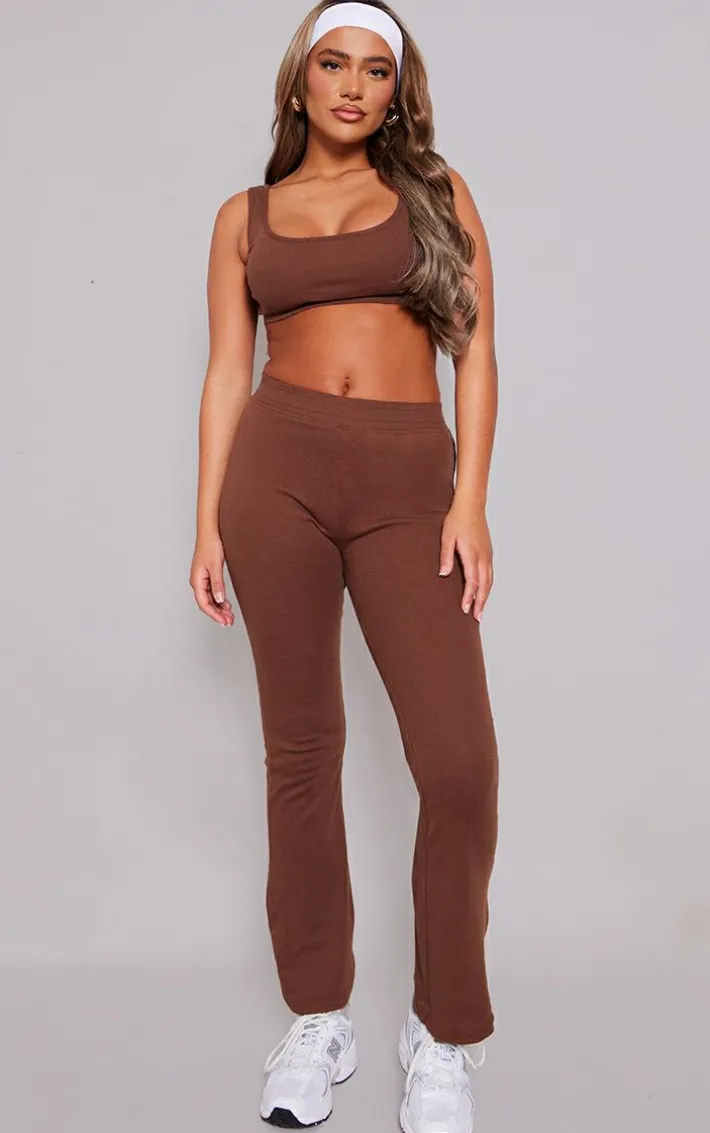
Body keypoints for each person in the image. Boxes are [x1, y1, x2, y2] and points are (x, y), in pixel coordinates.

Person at [189, 3, 500, 1130]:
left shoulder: (436, 191)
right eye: (334, 64)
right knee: (301, 750)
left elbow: (476, 351)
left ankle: (442, 1028)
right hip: (276, 474)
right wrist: (205, 523)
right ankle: (318, 1015)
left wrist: (469, 498)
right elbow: (228, 373)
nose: (354, 86)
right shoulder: (244, 217)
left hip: (408, 477)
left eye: (376, 70)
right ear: (300, 80)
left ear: (394, 91)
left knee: (457, 763)